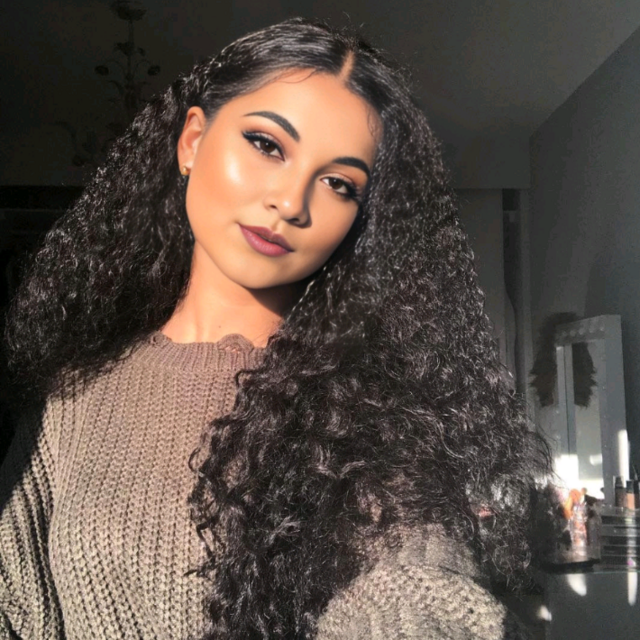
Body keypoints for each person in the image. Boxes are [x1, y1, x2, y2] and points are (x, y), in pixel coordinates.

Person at [0, 17, 549, 640]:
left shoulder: (369, 412)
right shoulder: (73, 395)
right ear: (192, 141)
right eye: (266, 144)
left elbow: (416, 586)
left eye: (338, 183)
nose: (291, 202)